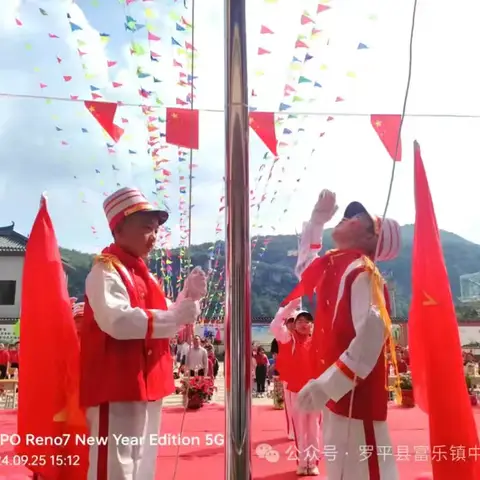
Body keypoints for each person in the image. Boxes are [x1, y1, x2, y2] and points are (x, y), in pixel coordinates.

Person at [80, 186, 207, 480]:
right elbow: (118, 321)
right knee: (116, 464)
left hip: (147, 380)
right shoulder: (106, 270)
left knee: (142, 460)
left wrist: (189, 300)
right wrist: (176, 314)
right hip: (116, 381)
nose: (154, 237)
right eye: (147, 229)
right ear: (119, 230)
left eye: (156, 230)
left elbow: (169, 319)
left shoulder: (145, 276)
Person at [292, 199, 402, 480]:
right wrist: (316, 224)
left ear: (371, 237)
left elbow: (370, 336)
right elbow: (305, 269)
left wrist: (327, 386)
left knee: (362, 471)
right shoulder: (335, 266)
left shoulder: (363, 273)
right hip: (338, 397)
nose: (345, 218)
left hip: (355, 398)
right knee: (341, 471)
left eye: (356, 217)